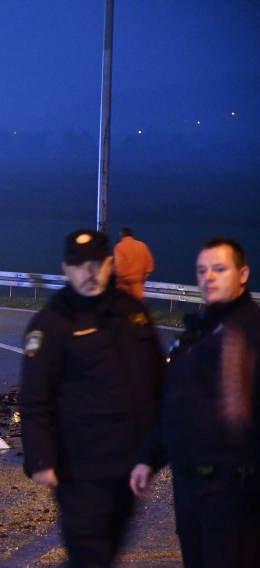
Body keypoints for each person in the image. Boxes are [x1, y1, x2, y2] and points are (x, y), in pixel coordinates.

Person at [20, 228, 164, 567]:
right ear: (66, 269)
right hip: (79, 471)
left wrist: (155, 453)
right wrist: (41, 459)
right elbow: (34, 399)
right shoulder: (52, 324)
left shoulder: (133, 314)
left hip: (129, 467)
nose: (89, 272)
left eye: (96, 263)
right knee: (90, 556)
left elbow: (158, 383)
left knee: (105, 553)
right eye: (80, 265)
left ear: (109, 264)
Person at [130, 238, 260, 568]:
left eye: (219, 269)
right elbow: (175, 406)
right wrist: (149, 458)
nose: (209, 278)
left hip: (237, 495)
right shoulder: (195, 333)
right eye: (202, 271)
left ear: (243, 274)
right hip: (190, 489)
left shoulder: (252, 333)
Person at [113, 227, 154, 300]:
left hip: (124, 285)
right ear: (132, 235)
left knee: (123, 307)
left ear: (121, 235)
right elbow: (149, 265)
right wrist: (142, 278)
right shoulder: (142, 245)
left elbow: (119, 266)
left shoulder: (119, 247)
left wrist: (118, 278)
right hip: (138, 285)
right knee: (136, 307)